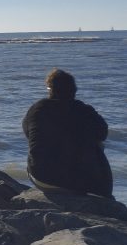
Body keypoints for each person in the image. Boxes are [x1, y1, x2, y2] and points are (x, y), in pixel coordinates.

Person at [23, 68, 112, 198]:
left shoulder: (37, 109)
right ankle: (104, 193)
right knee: (98, 144)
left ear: (50, 89)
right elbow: (103, 133)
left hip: (42, 177)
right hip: (81, 182)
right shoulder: (85, 110)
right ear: (74, 90)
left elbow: (28, 134)